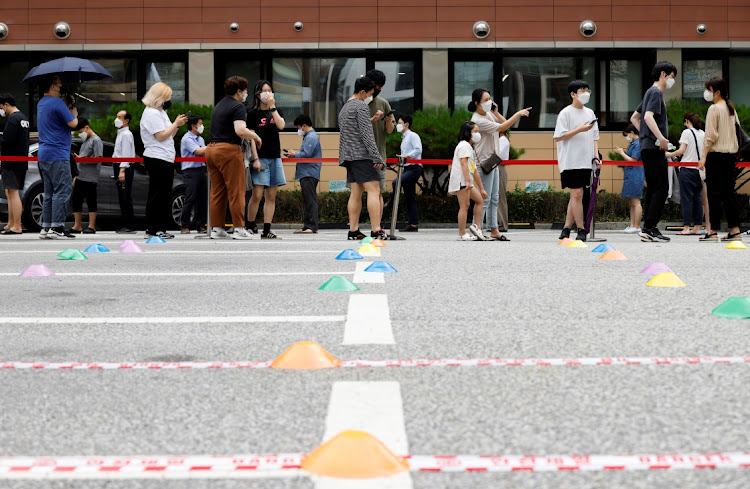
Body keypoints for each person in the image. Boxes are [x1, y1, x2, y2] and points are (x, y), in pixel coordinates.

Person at [468, 88, 531, 240]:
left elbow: (504, 124)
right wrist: (518, 113)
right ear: (477, 103)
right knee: (484, 198)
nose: (489, 102)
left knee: (494, 198)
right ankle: (477, 229)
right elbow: (502, 128)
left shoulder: (488, 114)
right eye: (486, 100)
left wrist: (496, 113)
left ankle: (494, 229)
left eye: (490, 98)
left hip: (493, 160)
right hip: (484, 162)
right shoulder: (477, 120)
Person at [205, 75, 261, 240]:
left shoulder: (219, 105)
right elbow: (240, 130)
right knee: (237, 191)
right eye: (244, 91)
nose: (245, 94)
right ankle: (239, 228)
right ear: (238, 91)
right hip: (229, 150)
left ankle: (217, 229)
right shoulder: (238, 106)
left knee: (217, 191)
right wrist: (255, 136)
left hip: (212, 150)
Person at [631, 61, 677, 243]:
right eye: (672, 77)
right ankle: (650, 227)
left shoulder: (649, 92)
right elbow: (648, 117)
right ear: (664, 74)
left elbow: (635, 117)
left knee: (654, 187)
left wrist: (646, 135)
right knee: (661, 187)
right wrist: (661, 139)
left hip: (647, 146)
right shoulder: (656, 92)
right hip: (654, 147)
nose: (672, 81)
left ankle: (648, 228)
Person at [338, 76, 387, 241]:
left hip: (348, 155)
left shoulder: (345, 107)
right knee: (374, 189)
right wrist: (377, 157)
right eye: (370, 94)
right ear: (362, 92)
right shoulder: (360, 106)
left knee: (355, 192)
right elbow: (367, 135)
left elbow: (349, 131)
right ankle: (376, 230)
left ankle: (353, 231)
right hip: (361, 155)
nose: (370, 97)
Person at [553, 80, 600, 242]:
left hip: (586, 161)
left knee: (576, 196)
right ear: (573, 94)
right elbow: (559, 136)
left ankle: (566, 228)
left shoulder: (590, 113)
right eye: (582, 90)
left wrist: (596, 157)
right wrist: (580, 129)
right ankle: (581, 229)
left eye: (587, 90)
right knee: (577, 193)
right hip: (570, 160)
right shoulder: (565, 113)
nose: (586, 93)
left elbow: (595, 137)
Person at [140, 82, 187, 240]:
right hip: (156, 156)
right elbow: (160, 136)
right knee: (158, 193)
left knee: (164, 193)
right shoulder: (151, 113)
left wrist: (176, 125)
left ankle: (157, 227)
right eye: (167, 97)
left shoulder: (160, 112)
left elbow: (168, 135)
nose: (169, 100)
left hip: (165, 156)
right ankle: (155, 228)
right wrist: (175, 124)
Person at [698, 77, 742, 242]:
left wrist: (703, 158)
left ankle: (713, 230)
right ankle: (735, 230)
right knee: (729, 193)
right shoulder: (731, 108)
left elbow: (710, 136)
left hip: (716, 155)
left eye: (709, 90)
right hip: (731, 155)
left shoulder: (714, 109)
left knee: (714, 194)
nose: (707, 93)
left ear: (716, 92)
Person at [36, 74, 78, 239]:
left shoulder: (42, 103)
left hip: (44, 153)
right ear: (53, 86)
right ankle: (58, 227)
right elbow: (73, 123)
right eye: (60, 86)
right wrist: (72, 108)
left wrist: (66, 106)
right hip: (58, 153)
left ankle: (46, 227)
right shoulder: (58, 103)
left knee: (49, 192)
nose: (61, 89)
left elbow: (57, 119)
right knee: (63, 189)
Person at [246, 80, 286, 239]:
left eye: (270, 90)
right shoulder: (252, 113)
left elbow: (281, 126)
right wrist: (255, 159)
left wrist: (273, 107)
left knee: (271, 196)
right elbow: (250, 137)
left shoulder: (276, 111)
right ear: (258, 94)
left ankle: (267, 229)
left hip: (275, 157)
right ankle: (250, 225)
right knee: (257, 194)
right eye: (265, 91)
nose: (268, 93)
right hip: (260, 157)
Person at [666, 113, 706, 235]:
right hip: (699, 169)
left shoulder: (687, 133)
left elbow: (682, 150)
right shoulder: (703, 134)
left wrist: (669, 154)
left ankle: (687, 228)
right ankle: (698, 227)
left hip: (687, 169)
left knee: (687, 199)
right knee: (697, 199)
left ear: (687, 121)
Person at [448, 121, 487, 241]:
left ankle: (477, 227)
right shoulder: (464, 146)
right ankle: (462, 233)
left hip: (466, 181)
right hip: (462, 181)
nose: (477, 134)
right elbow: (464, 163)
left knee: (479, 200)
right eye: (475, 131)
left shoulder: (469, 147)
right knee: (464, 206)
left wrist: (481, 189)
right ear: (467, 133)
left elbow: (474, 169)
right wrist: (468, 181)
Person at [0, 93, 29, 235]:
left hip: (11, 161)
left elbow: (6, 141)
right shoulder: (23, 118)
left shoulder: (12, 119)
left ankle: (16, 225)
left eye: (1, 107)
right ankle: (10, 223)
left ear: (6, 104)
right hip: (20, 161)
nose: (1, 111)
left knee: (13, 192)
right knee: (10, 191)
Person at [286, 114, 321, 234]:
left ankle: (311, 226)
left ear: (304, 126)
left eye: (298, 127)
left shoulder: (311, 137)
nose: (298, 130)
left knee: (310, 200)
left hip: (309, 173)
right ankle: (307, 226)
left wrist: (294, 154)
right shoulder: (308, 136)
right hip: (307, 172)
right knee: (307, 200)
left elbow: (307, 154)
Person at [365, 69, 395, 202]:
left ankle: (377, 223)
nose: (379, 89)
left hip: (379, 157)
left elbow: (390, 130)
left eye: (381, 86)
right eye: (378, 86)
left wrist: (388, 122)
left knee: (377, 193)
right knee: (358, 193)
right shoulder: (357, 103)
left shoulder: (383, 103)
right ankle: (354, 223)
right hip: (360, 157)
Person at [69, 118, 102, 234]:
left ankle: (91, 226)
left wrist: (82, 159)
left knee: (91, 201)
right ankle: (77, 225)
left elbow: (98, 158)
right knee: (77, 201)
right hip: (80, 175)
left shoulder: (96, 140)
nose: (80, 134)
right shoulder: (86, 140)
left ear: (87, 128)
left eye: (80, 131)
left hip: (90, 177)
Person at [394, 114, 422, 232]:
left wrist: (406, 156)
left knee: (396, 182)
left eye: (399, 123)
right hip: (406, 168)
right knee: (409, 196)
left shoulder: (412, 135)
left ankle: (391, 202)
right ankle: (413, 224)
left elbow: (418, 149)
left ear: (406, 124)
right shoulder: (404, 138)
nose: (397, 125)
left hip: (414, 168)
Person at [179, 115, 208, 234]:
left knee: (202, 199)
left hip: (200, 170)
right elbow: (199, 151)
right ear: (193, 126)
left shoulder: (200, 139)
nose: (202, 126)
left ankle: (200, 224)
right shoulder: (187, 138)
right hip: (190, 171)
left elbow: (204, 154)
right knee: (190, 198)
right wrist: (214, 147)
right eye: (200, 124)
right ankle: (185, 225)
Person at [613, 124, 644, 234]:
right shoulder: (634, 144)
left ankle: (636, 226)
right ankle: (632, 225)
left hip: (635, 174)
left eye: (627, 135)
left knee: (636, 201)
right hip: (631, 174)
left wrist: (621, 153)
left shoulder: (638, 143)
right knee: (632, 201)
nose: (627, 137)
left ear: (632, 132)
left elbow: (633, 160)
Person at [113, 110, 137, 233]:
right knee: (122, 197)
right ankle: (126, 223)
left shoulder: (126, 134)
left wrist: (122, 170)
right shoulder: (121, 133)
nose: (117, 119)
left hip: (124, 167)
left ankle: (130, 225)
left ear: (126, 120)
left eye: (120, 117)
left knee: (126, 197)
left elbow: (126, 154)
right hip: (119, 166)